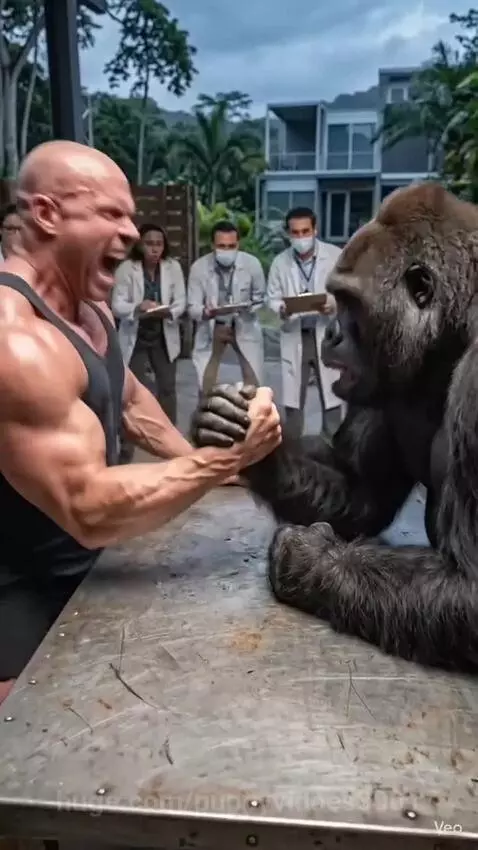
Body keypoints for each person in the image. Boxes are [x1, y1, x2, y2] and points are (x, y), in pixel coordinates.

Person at [0, 140, 282, 704]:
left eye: (130, 216)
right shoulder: (14, 339)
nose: (131, 232)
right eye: (111, 214)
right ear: (48, 214)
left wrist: (200, 462)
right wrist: (226, 458)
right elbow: (88, 508)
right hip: (20, 603)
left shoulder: (89, 308)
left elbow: (130, 402)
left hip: (90, 572)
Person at [266, 206, 345, 439]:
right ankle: (294, 450)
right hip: (296, 334)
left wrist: (333, 303)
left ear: (315, 230)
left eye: (305, 231)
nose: (301, 237)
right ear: (288, 234)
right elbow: (272, 298)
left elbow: (346, 291)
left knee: (332, 398)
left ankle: (332, 446)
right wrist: (281, 308)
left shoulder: (335, 256)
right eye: (295, 233)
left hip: (326, 333)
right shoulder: (280, 263)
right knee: (293, 404)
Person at [112, 223, 185, 425]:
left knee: (168, 387)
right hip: (137, 336)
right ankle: (133, 434)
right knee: (136, 388)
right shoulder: (127, 268)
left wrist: (168, 310)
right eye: (149, 244)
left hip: (163, 335)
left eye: (159, 244)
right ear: (139, 245)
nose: (154, 249)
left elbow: (181, 302)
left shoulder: (173, 267)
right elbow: (117, 305)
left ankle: (170, 432)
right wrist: (137, 308)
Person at [187, 220, 265, 397]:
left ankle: (251, 412)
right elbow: (192, 307)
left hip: (243, 323)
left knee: (253, 384)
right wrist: (205, 312)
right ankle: (207, 410)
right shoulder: (199, 268)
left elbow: (260, 298)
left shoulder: (252, 264)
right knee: (206, 385)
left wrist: (249, 306)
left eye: (231, 246)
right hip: (214, 326)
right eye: (221, 246)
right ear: (212, 245)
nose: (227, 250)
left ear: (238, 244)